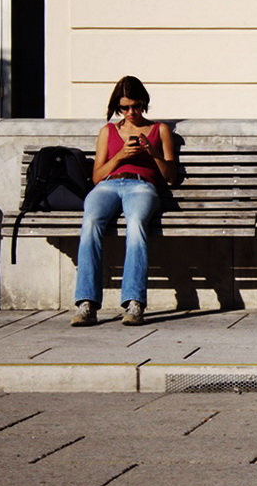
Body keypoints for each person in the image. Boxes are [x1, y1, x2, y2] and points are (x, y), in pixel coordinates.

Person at [70, 76, 177, 327]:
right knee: (91, 224)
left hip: (141, 185)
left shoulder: (159, 130)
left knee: (136, 225)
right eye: (125, 107)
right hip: (108, 185)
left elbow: (171, 177)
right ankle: (87, 304)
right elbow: (97, 177)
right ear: (117, 107)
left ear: (144, 103)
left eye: (137, 106)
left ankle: (134, 302)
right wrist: (120, 156)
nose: (131, 112)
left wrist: (153, 153)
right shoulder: (108, 131)